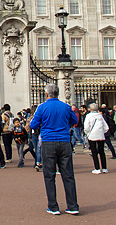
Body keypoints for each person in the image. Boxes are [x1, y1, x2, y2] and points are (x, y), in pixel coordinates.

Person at [29, 83, 79, 216]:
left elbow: (33, 124)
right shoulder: (66, 106)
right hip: (64, 142)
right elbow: (74, 121)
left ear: (46, 94)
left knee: (49, 176)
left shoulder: (42, 107)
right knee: (68, 175)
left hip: (48, 142)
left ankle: (53, 206)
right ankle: (73, 206)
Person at [84, 103, 110, 174]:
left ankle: (97, 168)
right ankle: (104, 168)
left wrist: (87, 133)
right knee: (102, 152)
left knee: (94, 152)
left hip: (92, 136)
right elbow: (106, 127)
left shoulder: (88, 116)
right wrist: (102, 132)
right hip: (100, 135)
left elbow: (86, 127)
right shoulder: (100, 116)